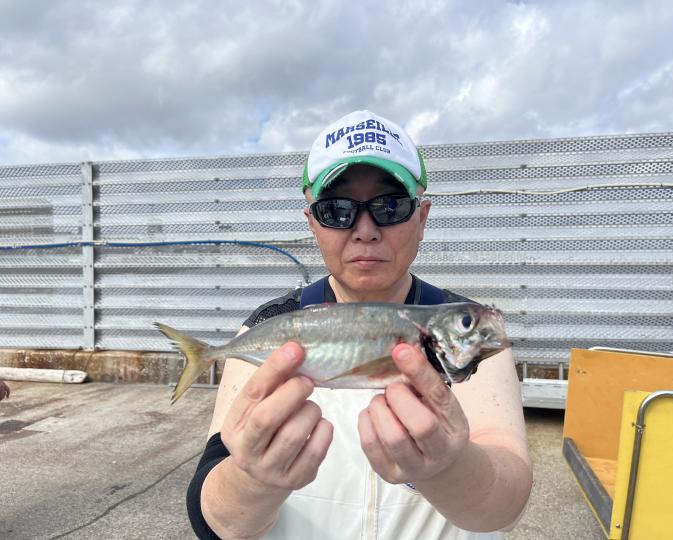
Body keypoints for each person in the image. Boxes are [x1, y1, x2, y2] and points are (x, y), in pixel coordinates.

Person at [186, 110, 532, 539]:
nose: (365, 231)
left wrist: (450, 469)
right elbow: (215, 518)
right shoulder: (269, 325)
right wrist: (251, 480)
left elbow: (506, 506)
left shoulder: (467, 333)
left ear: (422, 218)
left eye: (390, 206)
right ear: (312, 224)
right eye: (337, 210)